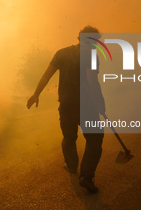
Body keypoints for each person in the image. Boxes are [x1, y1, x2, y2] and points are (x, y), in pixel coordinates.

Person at [27, 25, 105, 193]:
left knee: (69, 137)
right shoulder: (91, 55)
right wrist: (101, 102)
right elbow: (92, 82)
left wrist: (36, 94)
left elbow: (47, 75)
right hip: (87, 107)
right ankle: (86, 176)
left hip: (66, 105)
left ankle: (71, 166)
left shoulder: (61, 53)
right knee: (95, 139)